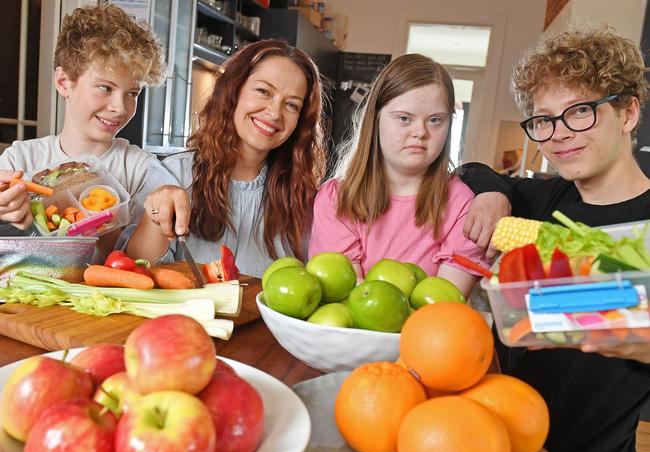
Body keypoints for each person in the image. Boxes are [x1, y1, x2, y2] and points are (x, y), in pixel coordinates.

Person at [458, 27, 650, 452]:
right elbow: (469, 167)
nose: (559, 134)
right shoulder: (538, 198)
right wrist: (492, 194)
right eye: (543, 119)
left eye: (580, 111)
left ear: (628, 112)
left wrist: (628, 331)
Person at [124, 39, 326, 278]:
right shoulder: (173, 175)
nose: (274, 112)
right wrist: (155, 216)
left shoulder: (305, 198)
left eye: (291, 105)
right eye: (263, 91)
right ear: (234, 90)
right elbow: (136, 271)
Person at [308, 54, 489, 297]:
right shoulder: (335, 199)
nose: (420, 132)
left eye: (435, 120)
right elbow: (349, 297)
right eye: (404, 118)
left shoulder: (465, 205)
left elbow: (443, 305)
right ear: (376, 118)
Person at [0, 4, 167, 256]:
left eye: (132, 93)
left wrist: (105, 225)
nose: (119, 108)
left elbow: (143, 262)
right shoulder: (19, 159)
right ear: (64, 82)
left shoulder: (142, 169)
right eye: (105, 88)